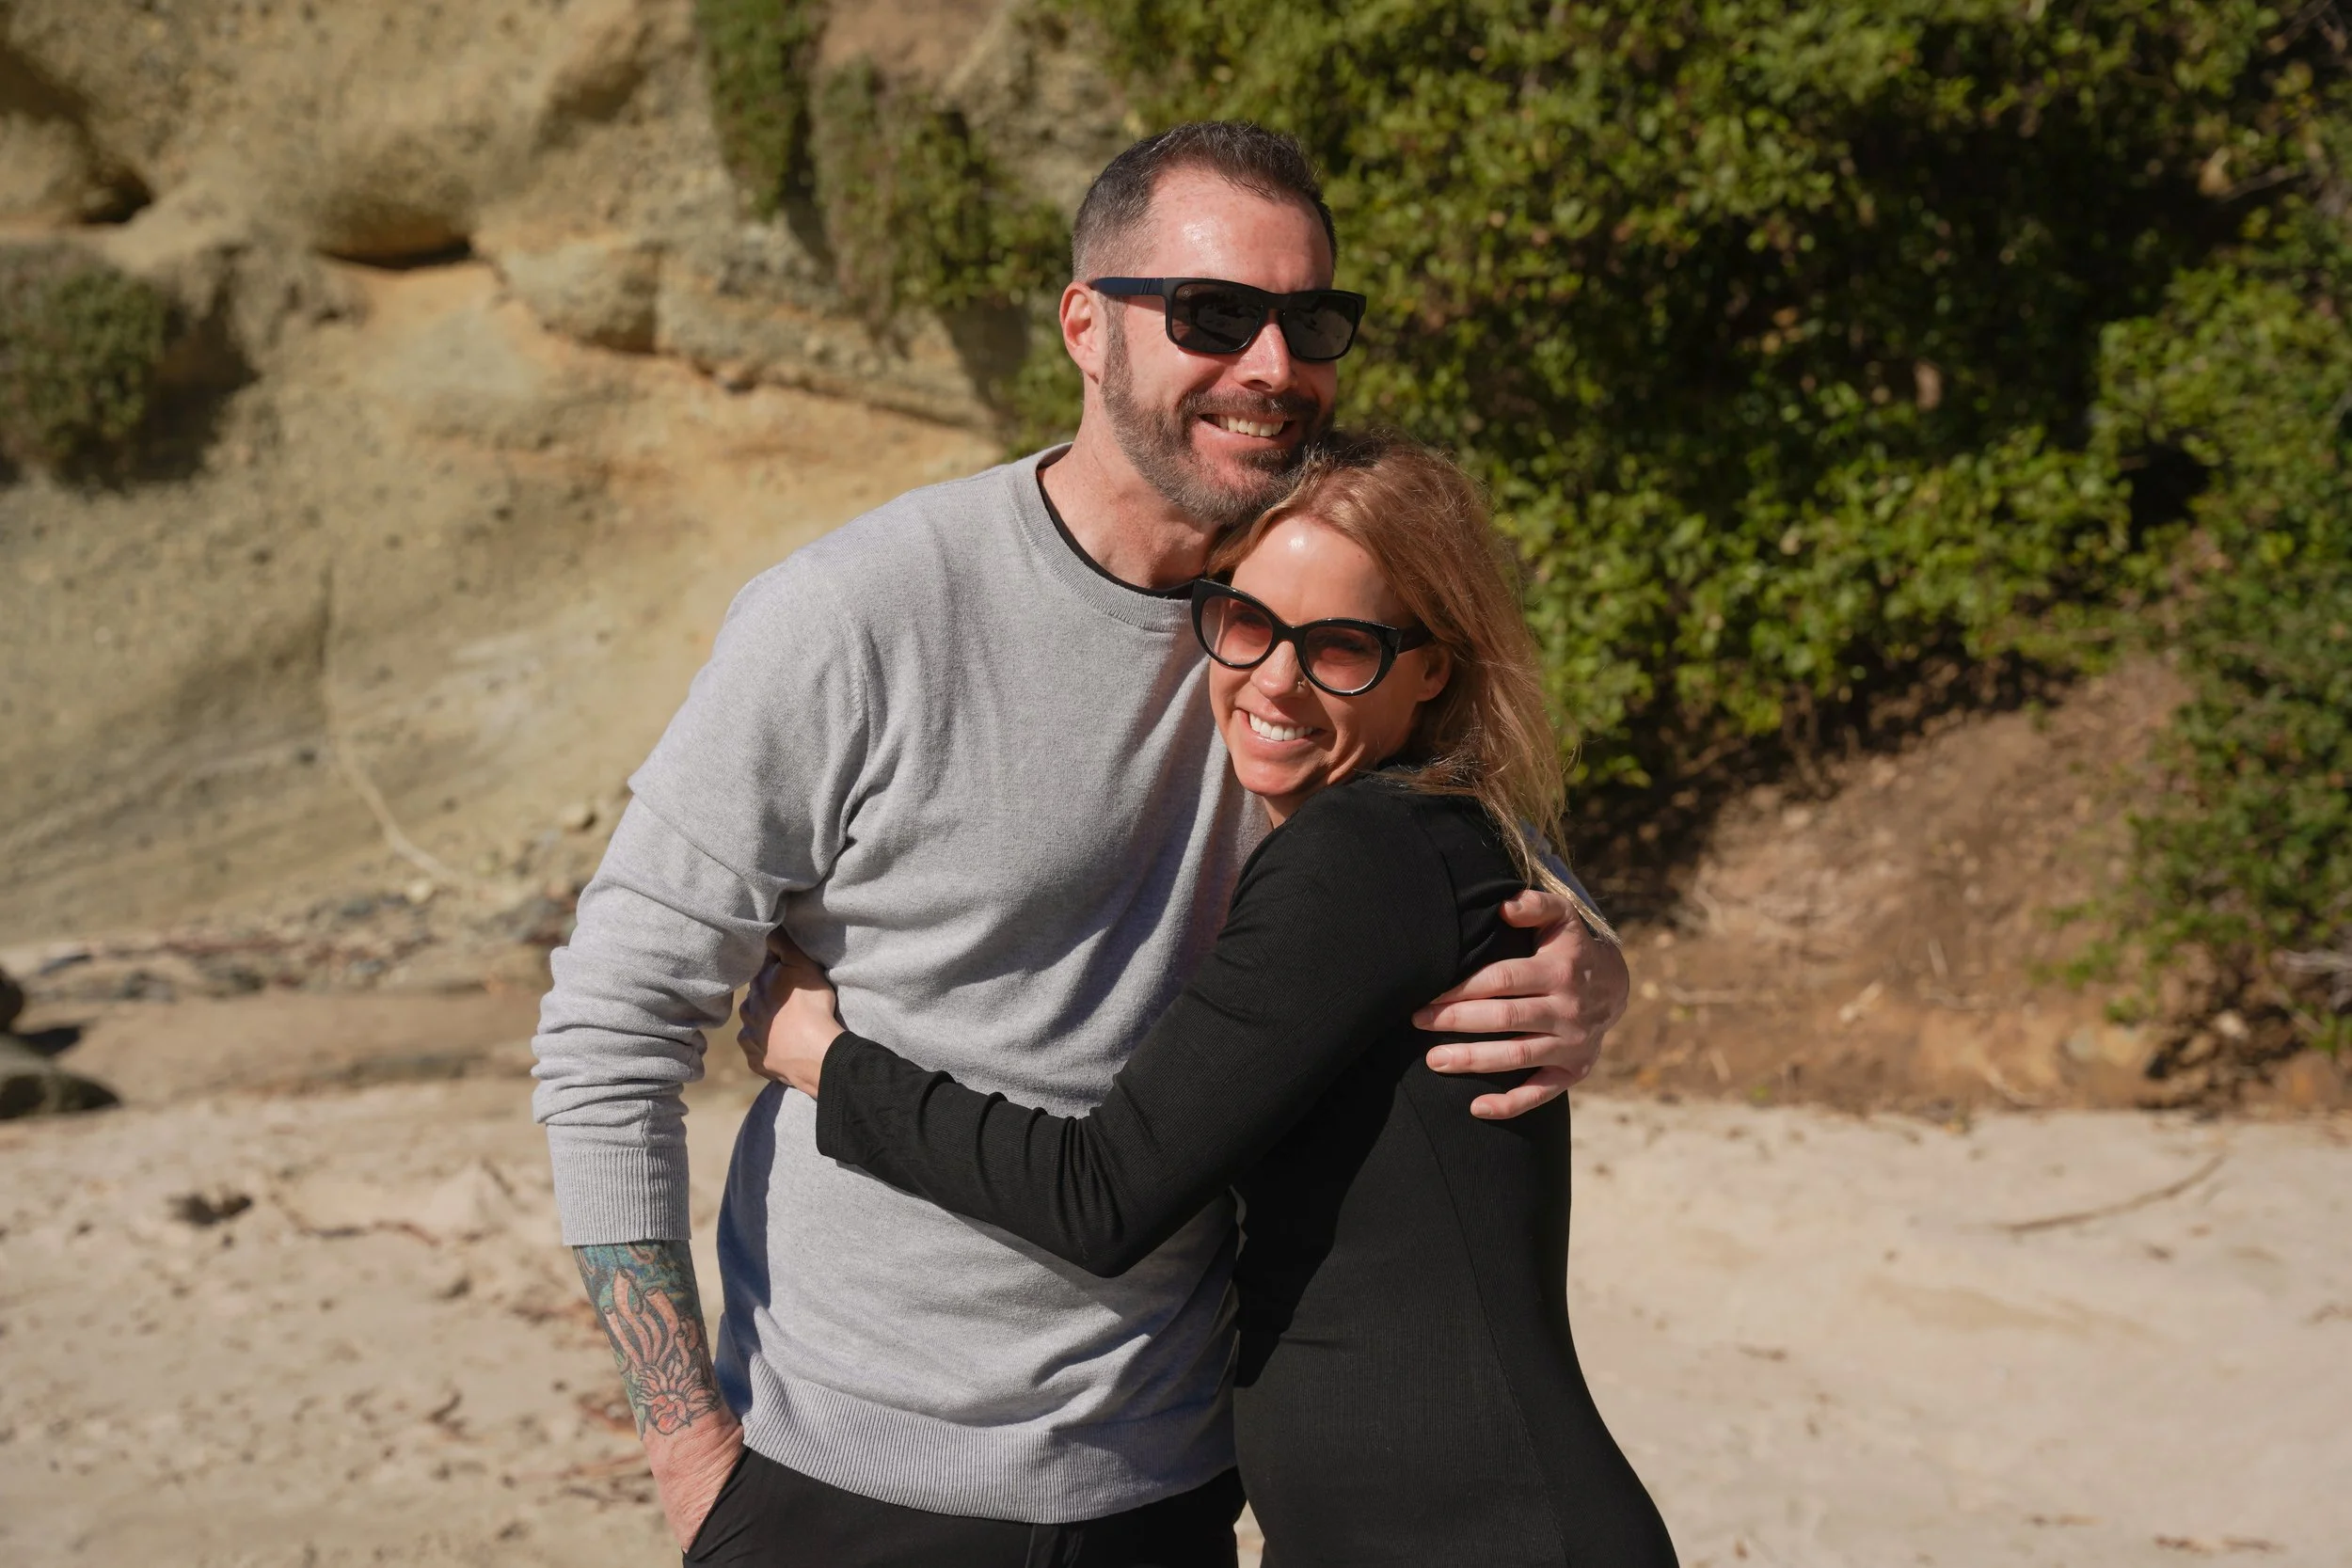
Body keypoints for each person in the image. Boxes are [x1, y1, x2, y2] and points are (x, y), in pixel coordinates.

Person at [532, 121, 1631, 1568]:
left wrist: (1594, 949)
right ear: (1085, 326)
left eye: (1314, 323)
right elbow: (611, 1023)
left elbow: (1466, 806)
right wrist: (691, 1457)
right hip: (843, 1488)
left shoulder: (1293, 635)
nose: (1272, 364)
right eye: (1215, 315)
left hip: (1167, 1494)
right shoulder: (857, 614)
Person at [742, 431, 1677, 1568]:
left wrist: (827, 1061)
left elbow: (1103, 1194)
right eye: (1246, 622)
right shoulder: (1432, 838)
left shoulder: (1361, 854)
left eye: (1340, 645)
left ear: (1433, 666)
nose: (1275, 679)